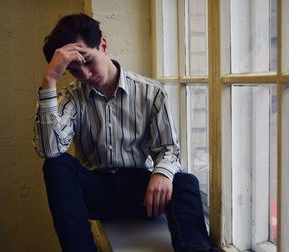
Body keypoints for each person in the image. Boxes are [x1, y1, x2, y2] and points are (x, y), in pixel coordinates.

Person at [33, 13, 219, 252]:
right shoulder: (72, 97)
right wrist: (49, 80)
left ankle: (195, 249)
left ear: (103, 44)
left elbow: (169, 149)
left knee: (186, 182)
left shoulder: (151, 92)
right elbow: (50, 150)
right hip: (96, 194)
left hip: (141, 194)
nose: (86, 75)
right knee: (56, 166)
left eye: (88, 61)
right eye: (75, 71)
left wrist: (162, 173)